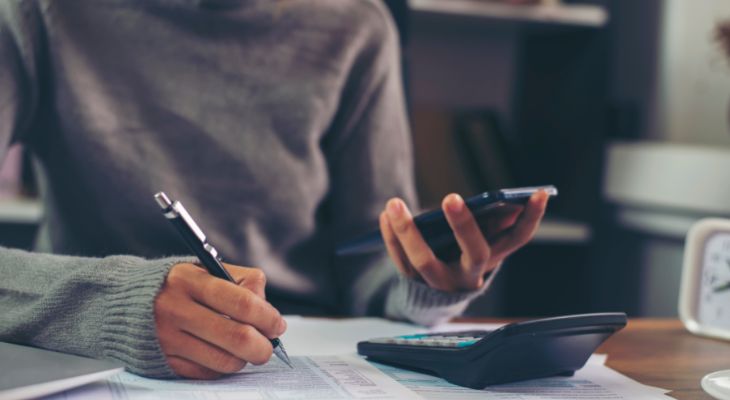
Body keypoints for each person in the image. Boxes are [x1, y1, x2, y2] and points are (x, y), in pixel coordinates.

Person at [0, 0, 548, 380]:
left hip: (303, 351)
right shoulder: (41, 14)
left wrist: (428, 279)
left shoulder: (356, 25)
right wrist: (110, 305)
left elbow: (367, 261)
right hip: (93, 360)